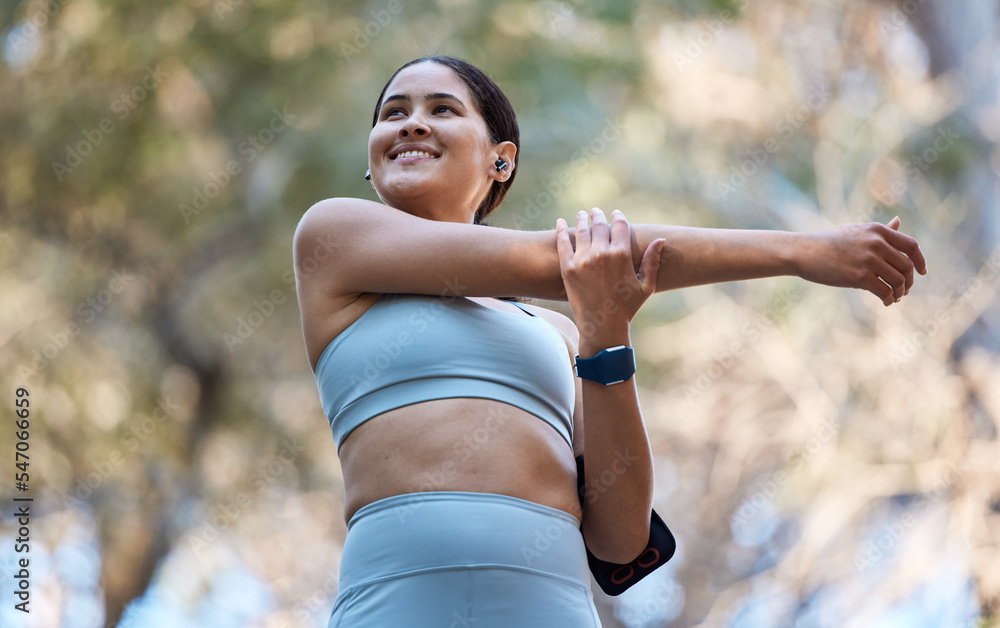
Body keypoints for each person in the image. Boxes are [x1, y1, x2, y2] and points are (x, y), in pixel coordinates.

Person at [293, 55, 926, 627]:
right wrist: (805, 251)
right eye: (393, 113)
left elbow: (620, 540)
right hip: (392, 602)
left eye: (442, 109)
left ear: (501, 159)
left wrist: (606, 335)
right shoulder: (333, 236)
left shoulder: (558, 331)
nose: (410, 124)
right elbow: (569, 259)